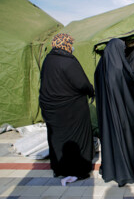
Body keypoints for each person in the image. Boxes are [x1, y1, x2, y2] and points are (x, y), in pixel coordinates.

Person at [39, 33, 95, 179]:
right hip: (71, 110)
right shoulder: (68, 62)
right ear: (67, 45)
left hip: (51, 108)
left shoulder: (48, 59)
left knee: (56, 139)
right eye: (71, 44)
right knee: (77, 139)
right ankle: (78, 170)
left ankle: (59, 168)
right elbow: (81, 83)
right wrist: (91, 90)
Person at [94, 39, 134, 186]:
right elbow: (131, 83)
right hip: (122, 113)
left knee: (110, 142)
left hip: (106, 114)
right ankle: (126, 172)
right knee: (126, 143)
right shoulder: (118, 67)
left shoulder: (101, 67)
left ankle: (112, 171)